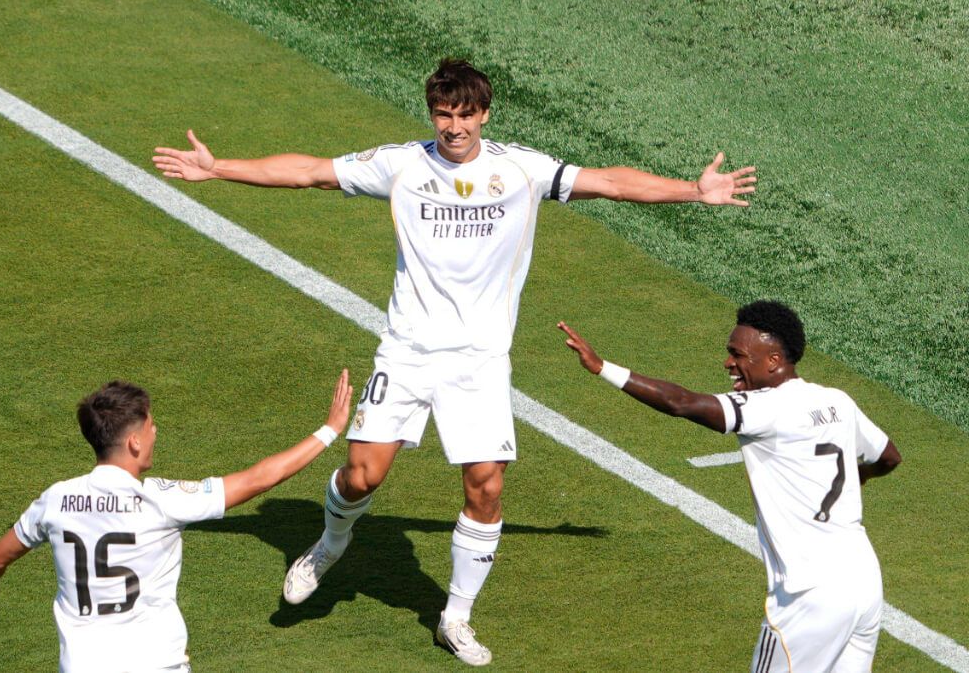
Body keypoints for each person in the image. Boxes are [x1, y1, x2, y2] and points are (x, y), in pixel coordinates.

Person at [152, 58, 756, 666]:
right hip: (407, 350)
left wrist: (694, 191)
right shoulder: (402, 164)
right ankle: (330, 545)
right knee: (362, 476)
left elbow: (611, 182)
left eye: (465, 115)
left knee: (485, 487)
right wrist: (219, 168)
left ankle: (455, 617)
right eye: (444, 114)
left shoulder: (520, 168)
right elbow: (311, 172)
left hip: (480, 361)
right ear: (432, 113)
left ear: (484, 114)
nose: (454, 127)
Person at [558, 300, 902, 672]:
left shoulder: (767, 408)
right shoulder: (837, 401)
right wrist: (858, 478)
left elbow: (681, 403)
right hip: (863, 581)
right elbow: (888, 458)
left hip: (808, 597)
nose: (727, 363)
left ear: (773, 360)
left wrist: (601, 367)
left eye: (737, 355)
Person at [0, 370, 352, 672]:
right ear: (133, 442)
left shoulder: (55, 500)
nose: (155, 432)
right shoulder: (159, 500)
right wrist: (330, 429)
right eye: (150, 426)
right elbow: (258, 478)